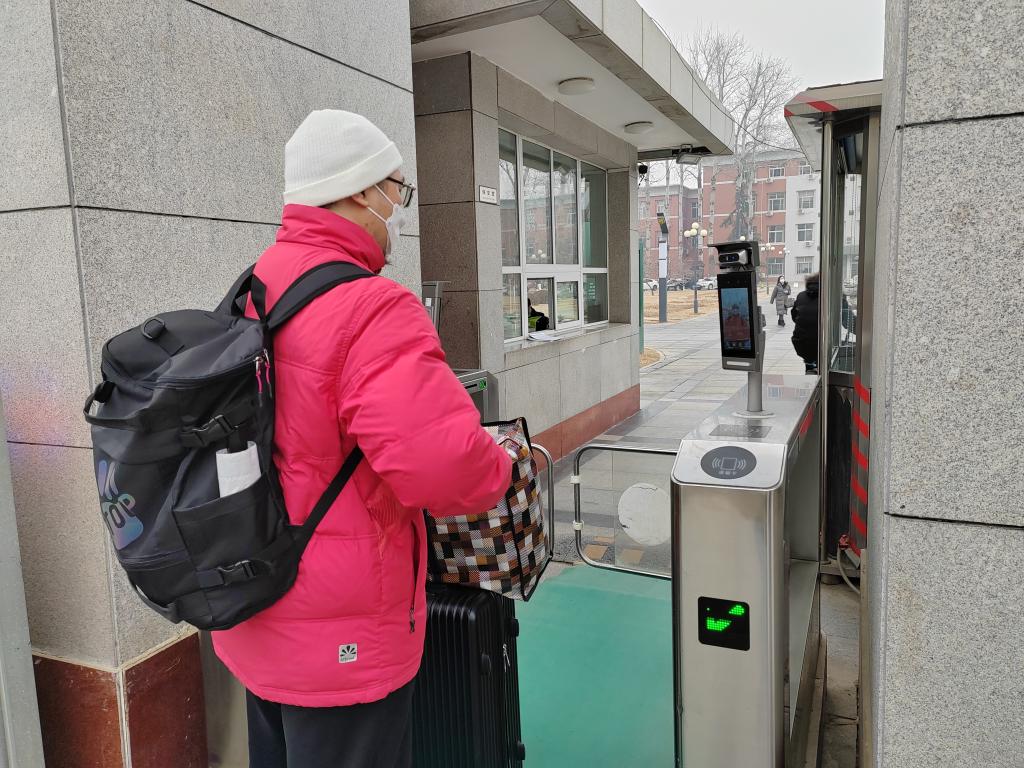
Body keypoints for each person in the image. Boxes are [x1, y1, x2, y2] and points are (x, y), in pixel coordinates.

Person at [212, 110, 513, 768]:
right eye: (397, 190)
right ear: (358, 191)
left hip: (257, 607)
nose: (399, 210)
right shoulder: (372, 307)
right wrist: (502, 464)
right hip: (340, 639)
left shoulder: (255, 286)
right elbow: (446, 469)